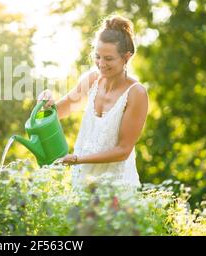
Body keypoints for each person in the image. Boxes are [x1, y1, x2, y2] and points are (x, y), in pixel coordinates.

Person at [37, 15, 149, 189]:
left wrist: (77, 159)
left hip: (115, 187)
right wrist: (47, 102)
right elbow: (58, 112)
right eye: (98, 57)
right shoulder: (91, 81)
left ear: (126, 57)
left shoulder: (136, 93)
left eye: (108, 58)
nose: (101, 64)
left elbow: (123, 150)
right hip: (82, 182)